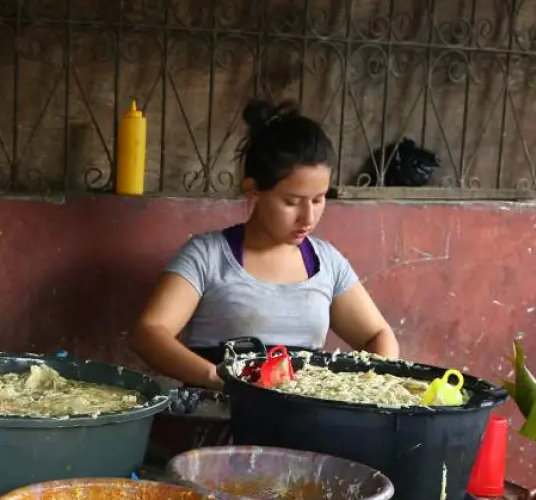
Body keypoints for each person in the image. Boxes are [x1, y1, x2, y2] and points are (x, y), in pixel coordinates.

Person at [132, 99, 398, 390]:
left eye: (319, 199)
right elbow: (148, 333)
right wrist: (222, 380)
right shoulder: (207, 256)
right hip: (219, 419)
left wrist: (369, 387)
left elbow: (379, 334)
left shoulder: (327, 263)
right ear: (253, 190)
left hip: (302, 424)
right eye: (291, 202)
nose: (308, 217)